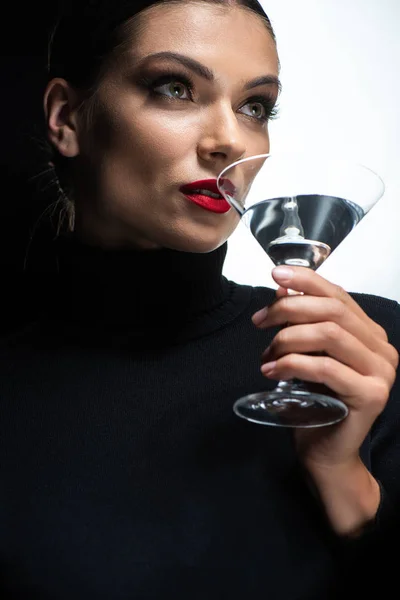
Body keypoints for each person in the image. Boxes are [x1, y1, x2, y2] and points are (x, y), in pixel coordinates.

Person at [0, 0, 399, 598]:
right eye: (175, 89)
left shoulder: (364, 353)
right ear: (68, 118)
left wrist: (343, 477)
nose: (229, 141)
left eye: (255, 106)